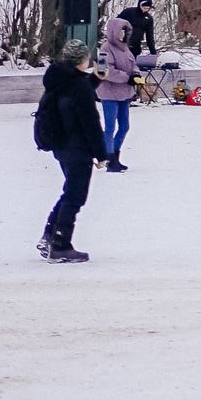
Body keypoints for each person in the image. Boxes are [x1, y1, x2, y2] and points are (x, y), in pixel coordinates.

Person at [32, 42, 106, 262]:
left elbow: (75, 93)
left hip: (61, 145)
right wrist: (102, 154)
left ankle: (50, 236)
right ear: (81, 61)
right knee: (75, 196)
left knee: (69, 192)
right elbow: (90, 123)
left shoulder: (58, 78)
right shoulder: (78, 86)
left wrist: (96, 79)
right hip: (78, 149)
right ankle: (61, 244)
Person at [95, 16, 137, 173]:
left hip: (124, 93)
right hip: (109, 93)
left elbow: (133, 65)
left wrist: (136, 75)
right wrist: (127, 78)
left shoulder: (126, 49)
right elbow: (103, 71)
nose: (124, 35)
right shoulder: (105, 50)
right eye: (122, 31)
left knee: (125, 126)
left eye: (126, 31)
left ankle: (115, 155)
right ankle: (109, 159)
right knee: (110, 126)